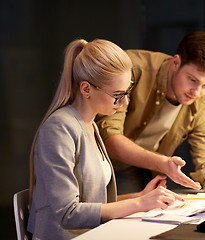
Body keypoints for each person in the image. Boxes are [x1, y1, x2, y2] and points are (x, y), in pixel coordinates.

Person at [27, 39, 186, 240]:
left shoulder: (90, 125)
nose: (125, 102)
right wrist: (139, 205)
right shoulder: (59, 129)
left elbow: (93, 202)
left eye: (128, 92)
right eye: (118, 95)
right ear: (86, 89)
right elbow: (69, 213)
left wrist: (139, 197)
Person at [96, 31, 205, 196]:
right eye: (192, 80)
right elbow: (109, 138)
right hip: (99, 162)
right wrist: (163, 163)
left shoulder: (202, 105)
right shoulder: (132, 69)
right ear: (176, 62)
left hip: (146, 170)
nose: (197, 92)